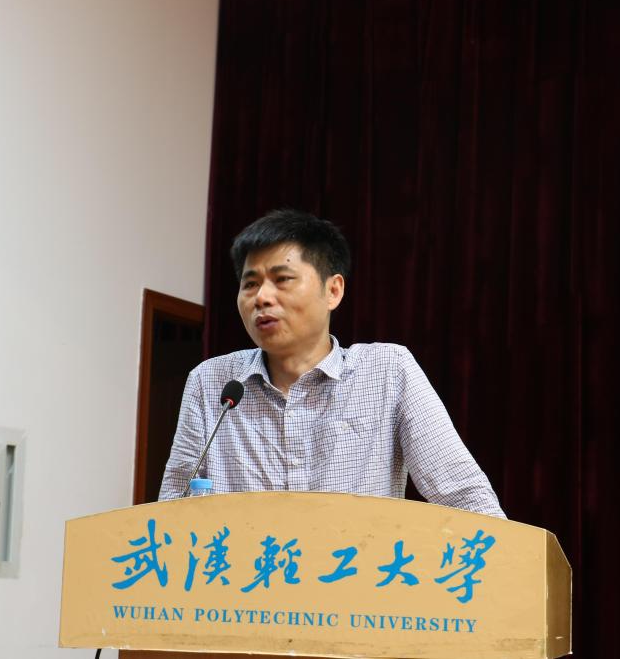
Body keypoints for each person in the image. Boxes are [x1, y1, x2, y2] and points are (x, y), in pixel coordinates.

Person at [158, 210, 506, 518]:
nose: (261, 297)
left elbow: (463, 495)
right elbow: (173, 510)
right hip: (247, 572)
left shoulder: (388, 370)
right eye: (250, 284)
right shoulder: (212, 381)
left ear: (333, 291)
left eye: (282, 279)